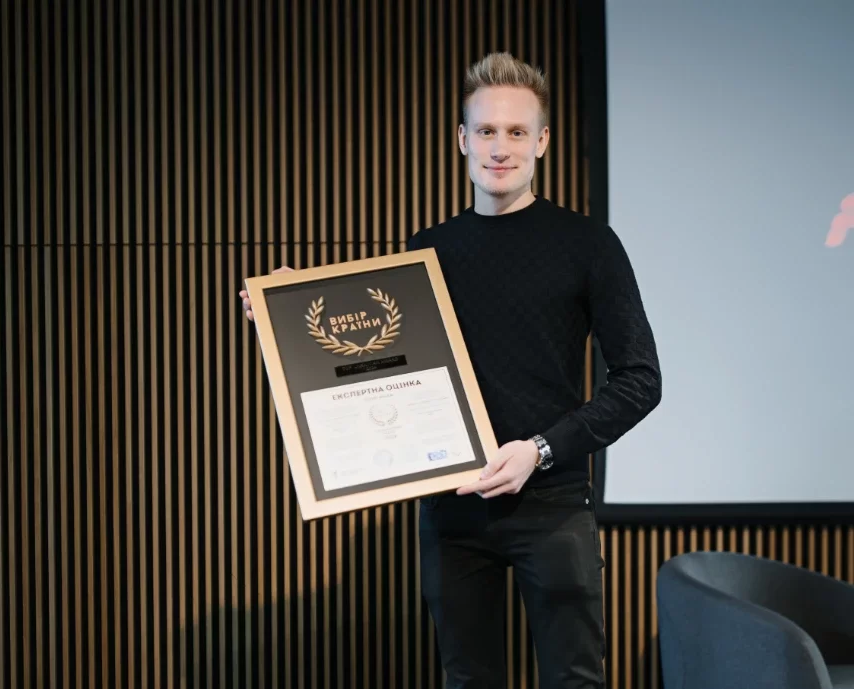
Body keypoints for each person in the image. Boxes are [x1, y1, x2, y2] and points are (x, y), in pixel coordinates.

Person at [240, 52, 661, 689]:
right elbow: (375, 363)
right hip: (451, 510)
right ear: (462, 138)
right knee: (467, 681)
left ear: (542, 141)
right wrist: (289, 306)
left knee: (575, 681)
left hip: (553, 504)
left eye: (517, 131)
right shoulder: (427, 251)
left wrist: (541, 450)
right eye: (486, 130)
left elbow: (640, 379)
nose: (500, 147)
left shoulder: (588, 244)